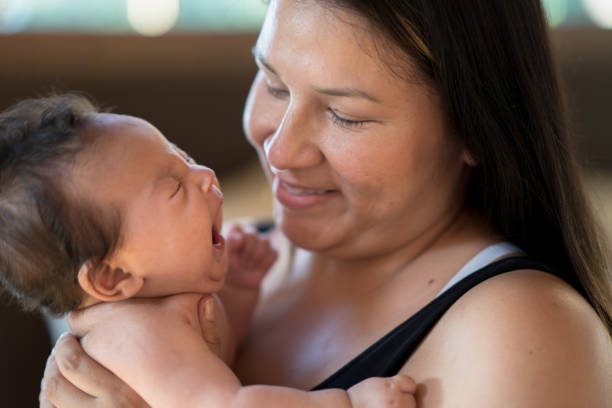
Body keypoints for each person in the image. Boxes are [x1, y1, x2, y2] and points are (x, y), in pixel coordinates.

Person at [41, 0, 612, 407]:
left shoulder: (525, 335)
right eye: (273, 82)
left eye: (346, 115)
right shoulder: (200, 270)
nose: (281, 149)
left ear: (475, 132)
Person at [0, 94, 417, 407]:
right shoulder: (137, 337)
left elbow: (212, 353)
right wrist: (348, 402)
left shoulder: (159, 298)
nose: (204, 176)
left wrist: (235, 291)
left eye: (184, 157)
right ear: (114, 277)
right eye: (175, 187)